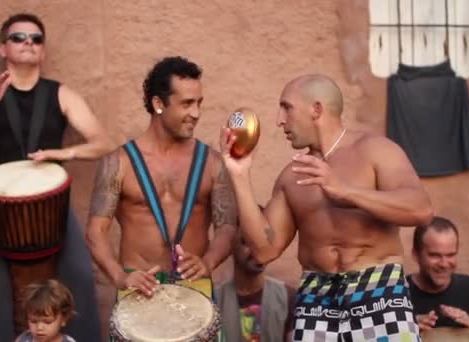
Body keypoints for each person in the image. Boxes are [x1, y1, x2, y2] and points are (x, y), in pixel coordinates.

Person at [220, 74, 434, 341]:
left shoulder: (375, 150)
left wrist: (346, 191)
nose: (279, 120)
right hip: (316, 300)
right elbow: (263, 250)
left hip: (379, 292)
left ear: (316, 109)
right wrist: (239, 175)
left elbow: (421, 209)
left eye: (287, 107)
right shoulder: (291, 177)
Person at [0, 13, 106, 342]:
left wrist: (64, 154)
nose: (28, 43)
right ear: (3, 48)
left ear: (43, 51)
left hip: (52, 201)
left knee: (78, 273)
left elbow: (102, 142)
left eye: (36, 38)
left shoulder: (61, 94)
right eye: (18, 37)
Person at [86, 56, 237, 301]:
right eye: (186, 104)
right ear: (158, 103)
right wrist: (120, 277)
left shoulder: (213, 163)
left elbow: (228, 226)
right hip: (139, 287)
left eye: (199, 103)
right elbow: (95, 232)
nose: (196, 113)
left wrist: (207, 262)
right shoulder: (118, 163)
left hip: (194, 289)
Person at [408, 216, 469, 340]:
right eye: (435, 255)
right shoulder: (397, 294)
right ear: (416, 255)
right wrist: (405, 329)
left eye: (451, 255)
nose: (444, 264)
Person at [215, 214, 296, 342]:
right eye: (247, 242)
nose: (258, 251)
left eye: (264, 243)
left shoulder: (289, 298)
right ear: (232, 244)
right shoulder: (213, 301)